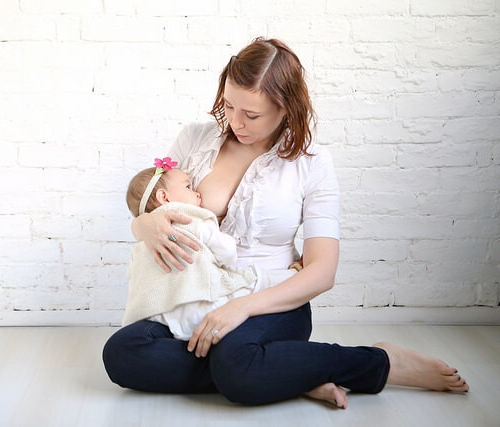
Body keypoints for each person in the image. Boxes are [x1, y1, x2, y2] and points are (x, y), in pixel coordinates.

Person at [103, 37, 469, 408]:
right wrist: (142, 226)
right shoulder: (195, 140)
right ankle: (291, 373)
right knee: (122, 353)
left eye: (252, 114)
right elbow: (155, 197)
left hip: (271, 302)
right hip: (194, 297)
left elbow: (322, 272)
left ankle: (380, 363)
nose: (235, 121)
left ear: (285, 107)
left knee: (237, 368)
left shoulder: (313, 164)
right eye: (229, 106)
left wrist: (242, 307)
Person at [123, 159, 302, 340]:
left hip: (163, 316)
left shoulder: (143, 243)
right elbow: (227, 253)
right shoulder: (189, 220)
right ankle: (292, 276)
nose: (197, 193)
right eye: (188, 187)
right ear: (164, 197)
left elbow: (136, 278)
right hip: (202, 306)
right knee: (250, 280)